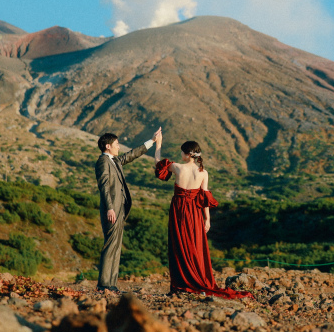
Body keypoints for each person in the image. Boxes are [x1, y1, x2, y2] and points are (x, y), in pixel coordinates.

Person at [154, 135, 253, 299]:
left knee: (179, 244)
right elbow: (204, 198)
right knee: (194, 244)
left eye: (182, 152)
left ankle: (182, 282)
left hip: (179, 209)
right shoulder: (203, 172)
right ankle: (196, 278)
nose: (181, 155)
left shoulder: (178, 167)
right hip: (194, 212)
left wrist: (159, 144)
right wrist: (208, 219)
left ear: (187, 154)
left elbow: (158, 163)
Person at [95, 128, 161, 293]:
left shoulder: (114, 160)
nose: (119, 147)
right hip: (112, 210)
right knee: (110, 245)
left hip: (120, 209)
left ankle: (111, 284)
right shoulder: (103, 161)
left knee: (117, 246)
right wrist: (110, 208)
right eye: (116, 144)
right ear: (108, 146)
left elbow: (131, 155)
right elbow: (104, 187)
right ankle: (103, 284)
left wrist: (151, 141)